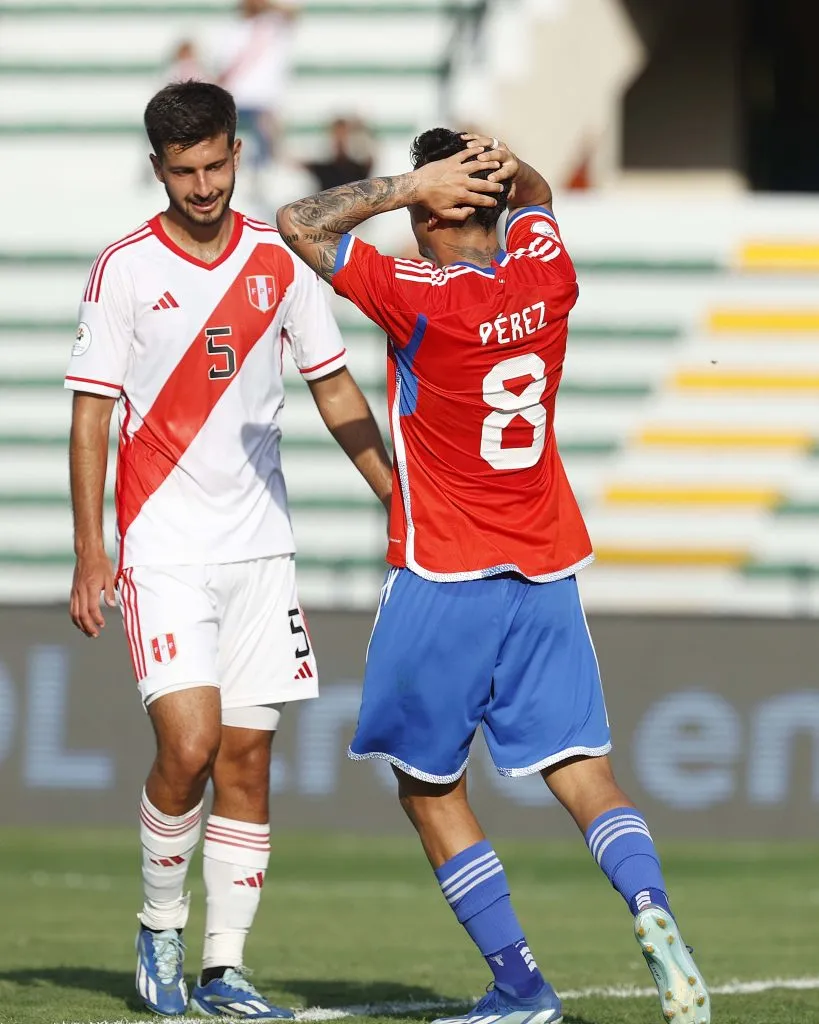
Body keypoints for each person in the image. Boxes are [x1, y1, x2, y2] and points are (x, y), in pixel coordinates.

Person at [277, 129, 710, 1024]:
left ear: (438, 208)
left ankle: (520, 984)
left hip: (445, 569)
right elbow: (541, 196)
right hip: (546, 567)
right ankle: (653, 911)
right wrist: (506, 166)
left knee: (427, 786)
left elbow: (299, 222)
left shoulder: (417, 295)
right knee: (586, 773)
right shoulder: (545, 275)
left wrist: (406, 183)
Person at [66, 81, 391, 1019]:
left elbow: (333, 391)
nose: (202, 185)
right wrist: (94, 551)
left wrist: (394, 499)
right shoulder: (123, 269)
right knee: (193, 743)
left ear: (234, 154)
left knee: (247, 761)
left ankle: (223, 970)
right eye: (183, 171)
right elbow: (91, 417)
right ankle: (159, 926)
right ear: (159, 168)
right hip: (162, 549)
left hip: (261, 551)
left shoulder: (279, 261)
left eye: (214, 165)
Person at [213, 0, 301, 167]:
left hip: (265, 101)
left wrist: (267, 6)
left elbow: (293, 15)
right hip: (235, 98)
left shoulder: (273, 24)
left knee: (267, 144)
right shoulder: (234, 29)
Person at [305, 116, 375, 192]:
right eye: (336, 135)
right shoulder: (321, 168)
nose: (340, 140)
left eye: (344, 135)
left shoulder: (360, 169)